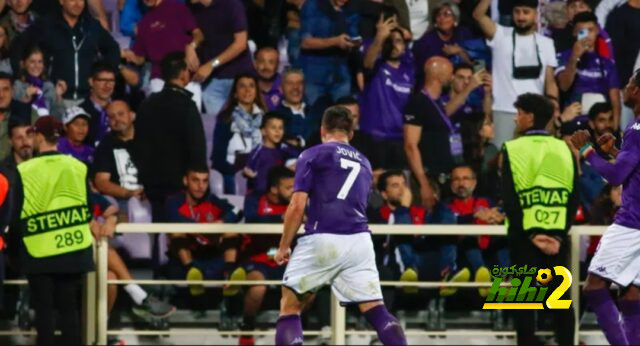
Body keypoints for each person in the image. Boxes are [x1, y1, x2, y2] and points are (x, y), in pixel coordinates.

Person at [273, 106, 407, 346]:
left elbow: (297, 205)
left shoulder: (312, 154)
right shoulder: (365, 162)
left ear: (323, 130)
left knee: (290, 307)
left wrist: (284, 245)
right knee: (376, 309)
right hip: (359, 241)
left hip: (322, 237)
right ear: (351, 133)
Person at [570, 69, 640, 345]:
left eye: (628, 83)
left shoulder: (636, 130)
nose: (623, 89)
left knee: (595, 286)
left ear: (636, 91)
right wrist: (614, 153)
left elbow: (615, 177)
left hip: (631, 223)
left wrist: (586, 149)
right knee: (633, 294)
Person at [12, 116, 96, 346]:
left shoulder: (26, 169)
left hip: (39, 251)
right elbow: (88, 207)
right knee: (69, 310)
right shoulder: (78, 166)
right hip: (72, 249)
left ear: (39, 136)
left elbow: (17, 213)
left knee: (44, 312)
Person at [502, 93, 578, 345]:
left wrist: (532, 234)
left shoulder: (512, 149)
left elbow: (510, 200)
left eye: (519, 112)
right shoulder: (564, 148)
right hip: (557, 239)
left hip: (524, 239)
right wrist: (557, 234)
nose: (516, 118)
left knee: (523, 304)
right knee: (561, 302)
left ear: (530, 117)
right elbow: (572, 196)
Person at [133, 52, 207, 223]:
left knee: (159, 232)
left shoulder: (147, 104)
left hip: (152, 185)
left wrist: (144, 178)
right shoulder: (187, 106)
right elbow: (197, 148)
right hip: (180, 187)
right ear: (182, 73)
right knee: (179, 235)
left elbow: (139, 145)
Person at [473, 0, 559, 148]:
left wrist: (554, 110)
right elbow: (478, 15)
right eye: (517, 12)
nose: (521, 16)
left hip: (534, 114)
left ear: (536, 14)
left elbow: (550, 82)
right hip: (504, 110)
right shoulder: (500, 35)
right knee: (502, 157)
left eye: (526, 12)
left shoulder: (546, 43)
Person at [165, 168, 243, 314]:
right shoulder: (174, 201)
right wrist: (202, 228)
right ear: (185, 181)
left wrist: (222, 222)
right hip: (185, 258)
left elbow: (237, 211)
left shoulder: (212, 200)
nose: (201, 186)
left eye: (205, 181)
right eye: (195, 180)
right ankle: (191, 271)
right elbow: (174, 219)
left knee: (231, 229)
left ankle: (229, 271)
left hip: (210, 253)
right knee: (176, 232)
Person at [11, 0, 120, 103]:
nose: (77, 4)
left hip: (87, 99)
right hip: (55, 98)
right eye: (72, 0)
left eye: (81, 0)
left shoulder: (91, 26)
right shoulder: (47, 25)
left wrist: (105, 73)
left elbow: (113, 48)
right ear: (61, 1)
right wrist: (21, 75)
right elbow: (18, 45)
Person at [239, 166, 294, 346]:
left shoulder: (298, 203)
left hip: (287, 261)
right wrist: (281, 218)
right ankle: (247, 329)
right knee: (258, 287)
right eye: (288, 187)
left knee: (307, 286)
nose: (294, 191)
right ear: (274, 189)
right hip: (258, 259)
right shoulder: (255, 199)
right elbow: (251, 219)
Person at [404, 56, 464, 210]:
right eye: (450, 73)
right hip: (430, 179)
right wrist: (424, 184)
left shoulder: (437, 102)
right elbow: (410, 145)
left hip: (446, 176)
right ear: (439, 75)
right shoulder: (418, 103)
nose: (452, 78)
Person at [121, 0, 204, 99]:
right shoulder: (143, 24)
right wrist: (126, 54)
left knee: (191, 113)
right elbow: (140, 58)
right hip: (159, 80)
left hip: (186, 77)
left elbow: (198, 35)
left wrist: (191, 46)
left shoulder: (177, 8)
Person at [360, 17, 414, 170]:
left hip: (401, 138)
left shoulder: (410, 69)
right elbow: (367, 63)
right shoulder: (377, 67)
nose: (393, 45)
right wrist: (380, 38)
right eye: (389, 41)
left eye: (398, 41)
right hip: (376, 138)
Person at [188, 0, 253, 118]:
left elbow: (240, 43)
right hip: (212, 84)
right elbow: (197, 35)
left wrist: (211, 65)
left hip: (239, 77)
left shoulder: (232, 4)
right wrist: (191, 47)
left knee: (245, 127)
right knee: (220, 129)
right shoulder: (192, 8)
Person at [446, 164, 505, 297]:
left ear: (474, 182)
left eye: (466, 178)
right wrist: (474, 216)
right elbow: (450, 222)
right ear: (451, 184)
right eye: (456, 179)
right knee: (469, 235)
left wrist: (498, 217)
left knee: (503, 239)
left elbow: (499, 213)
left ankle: (507, 279)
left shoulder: (487, 202)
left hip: (489, 250)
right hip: (461, 255)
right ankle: (480, 273)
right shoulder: (445, 206)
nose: (461, 183)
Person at [555, 12, 621, 128]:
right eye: (582, 31)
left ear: (597, 31)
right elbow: (564, 86)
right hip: (574, 123)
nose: (587, 36)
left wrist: (615, 130)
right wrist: (574, 57)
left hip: (600, 127)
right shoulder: (563, 57)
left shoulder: (607, 63)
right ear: (574, 32)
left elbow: (615, 101)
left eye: (590, 30)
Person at [211, 73, 266, 194]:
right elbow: (218, 154)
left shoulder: (266, 118)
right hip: (233, 168)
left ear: (256, 91)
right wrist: (237, 171)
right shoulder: (226, 118)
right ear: (235, 93)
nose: (247, 90)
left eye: (251, 86)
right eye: (242, 86)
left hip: (260, 166)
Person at [298, 0, 359, 106]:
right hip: (315, 75)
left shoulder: (351, 9)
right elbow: (305, 42)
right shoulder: (313, 5)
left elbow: (354, 35)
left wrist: (353, 43)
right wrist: (335, 42)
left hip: (341, 75)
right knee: (314, 116)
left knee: (343, 117)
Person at [412, 1, 472, 77]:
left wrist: (459, 51)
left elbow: (476, 64)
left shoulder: (464, 34)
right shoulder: (425, 42)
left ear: (455, 20)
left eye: (446, 14)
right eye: (438, 15)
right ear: (435, 22)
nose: (442, 18)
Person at [243, 112, 297, 196]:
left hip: (279, 194)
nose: (277, 131)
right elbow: (249, 174)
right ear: (263, 131)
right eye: (273, 127)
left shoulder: (284, 149)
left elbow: (300, 158)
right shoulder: (258, 152)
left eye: (280, 128)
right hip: (259, 195)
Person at [78, 62, 117, 147]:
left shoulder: (120, 111)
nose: (107, 85)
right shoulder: (79, 112)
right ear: (91, 81)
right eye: (102, 80)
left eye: (111, 81)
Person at [273, 68, 314, 149]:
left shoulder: (316, 112)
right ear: (281, 89)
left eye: (299, 83)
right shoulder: (276, 116)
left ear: (305, 87)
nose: (295, 87)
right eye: (290, 83)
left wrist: (299, 142)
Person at [0, 72, 36, 161]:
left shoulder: (28, 112)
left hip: (18, 171)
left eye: (5, 89)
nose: (1, 95)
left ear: (13, 91)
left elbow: (41, 144)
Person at [254, 46, 282, 111]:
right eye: (261, 61)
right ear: (255, 64)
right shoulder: (247, 86)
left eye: (271, 62)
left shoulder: (286, 86)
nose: (266, 67)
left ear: (278, 65)